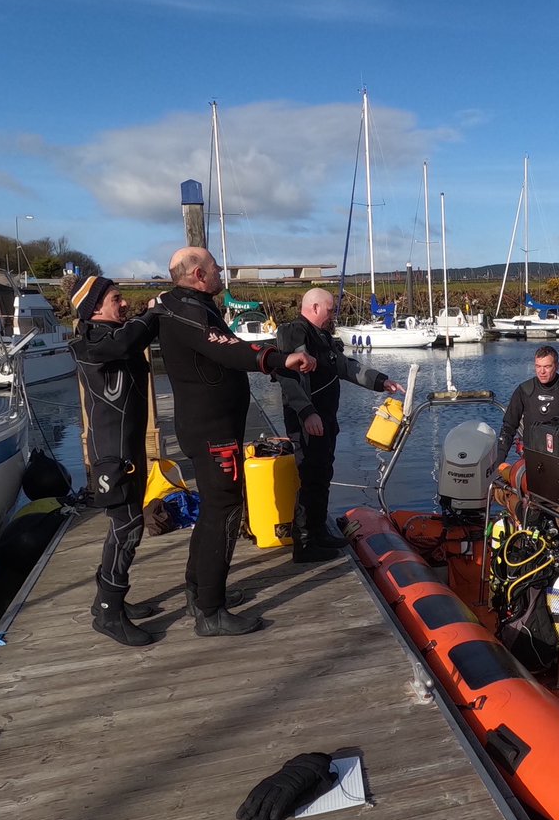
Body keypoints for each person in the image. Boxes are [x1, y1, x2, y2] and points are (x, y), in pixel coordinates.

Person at [155, 248, 316, 637]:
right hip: (211, 432)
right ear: (198, 273)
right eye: (215, 268)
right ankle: (211, 611)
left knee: (214, 509)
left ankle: (198, 593)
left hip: (213, 426)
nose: (221, 272)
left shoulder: (191, 305)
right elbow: (228, 350)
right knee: (224, 511)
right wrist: (281, 359)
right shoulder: (186, 311)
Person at [275, 288, 404, 562]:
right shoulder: (295, 333)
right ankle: (305, 543)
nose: (333, 315)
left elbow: (345, 366)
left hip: (326, 419)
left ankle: (319, 530)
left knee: (323, 474)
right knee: (310, 476)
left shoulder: (323, 337)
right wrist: (307, 412)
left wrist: (381, 381)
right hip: (306, 419)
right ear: (315, 307)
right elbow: (289, 378)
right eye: (330, 310)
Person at [71, 276, 160, 646]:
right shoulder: (91, 342)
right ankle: (109, 612)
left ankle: (109, 600)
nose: (124, 304)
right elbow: (128, 340)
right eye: (116, 299)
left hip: (128, 448)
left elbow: (130, 338)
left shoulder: (110, 337)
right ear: (94, 308)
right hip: (113, 454)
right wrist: (154, 312)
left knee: (124, 524)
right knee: (128, 527)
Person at [496, 345, 559, 462]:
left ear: (557, 366)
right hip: (531, 458)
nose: (542, 371)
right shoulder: (525, 390)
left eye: (547, 366)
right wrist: (499, 461)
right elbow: (508, 427)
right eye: (538, 366)